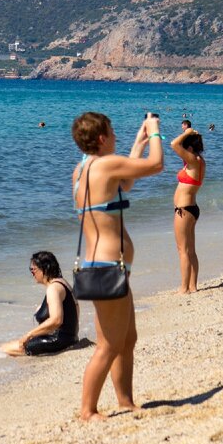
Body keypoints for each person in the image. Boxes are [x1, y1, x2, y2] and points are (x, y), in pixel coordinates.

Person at [71, 111, 163, 421]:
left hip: (106, 264)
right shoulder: (106, 164)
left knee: (127, 338)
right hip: (107, 264)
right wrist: (154, 132)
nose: (116, 137)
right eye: (113, 133)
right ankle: (87, 410)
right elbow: (156, 164)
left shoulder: (83, 169)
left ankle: (125, 401)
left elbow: (126, 183)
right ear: (101, 138)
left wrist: (138, 142)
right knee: (108, 345)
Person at [0, 251, 79, 356]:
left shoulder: (53, 288)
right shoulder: (62, 283)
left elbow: (56, 320)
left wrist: (29, 335)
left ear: (45, 269)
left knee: (3, 350)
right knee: (7, 346)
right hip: (70, 338)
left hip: (58, 340)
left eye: (33, 269)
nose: (32, 273)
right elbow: (75, 311)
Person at [169, 127, 205, 294]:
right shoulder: (197, 161)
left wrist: (186, 133)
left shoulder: (193, 160)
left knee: (183, 250)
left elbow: (173, 144)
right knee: (190, 250)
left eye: (185, 147)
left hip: (184, 210)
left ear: (189, 149)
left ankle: (184, 288)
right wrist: (191, 134)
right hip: (190, 209)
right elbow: (178, 146)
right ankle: (192, 286)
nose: (181, 151)